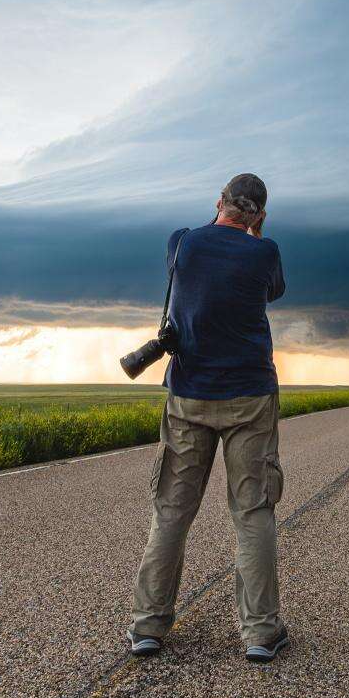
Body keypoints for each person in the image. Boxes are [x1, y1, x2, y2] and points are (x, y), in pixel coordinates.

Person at [128, 172, 289, 663]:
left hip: (188, 397)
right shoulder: (266, 252)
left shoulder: (182, 243)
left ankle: (149, 626)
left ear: (219, 202)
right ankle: (260, 632)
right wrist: (254, 234)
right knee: (252, 513)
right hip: (249, 397)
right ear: (259, 215)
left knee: (171, 511)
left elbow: (192, 258)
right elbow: (273, 293)